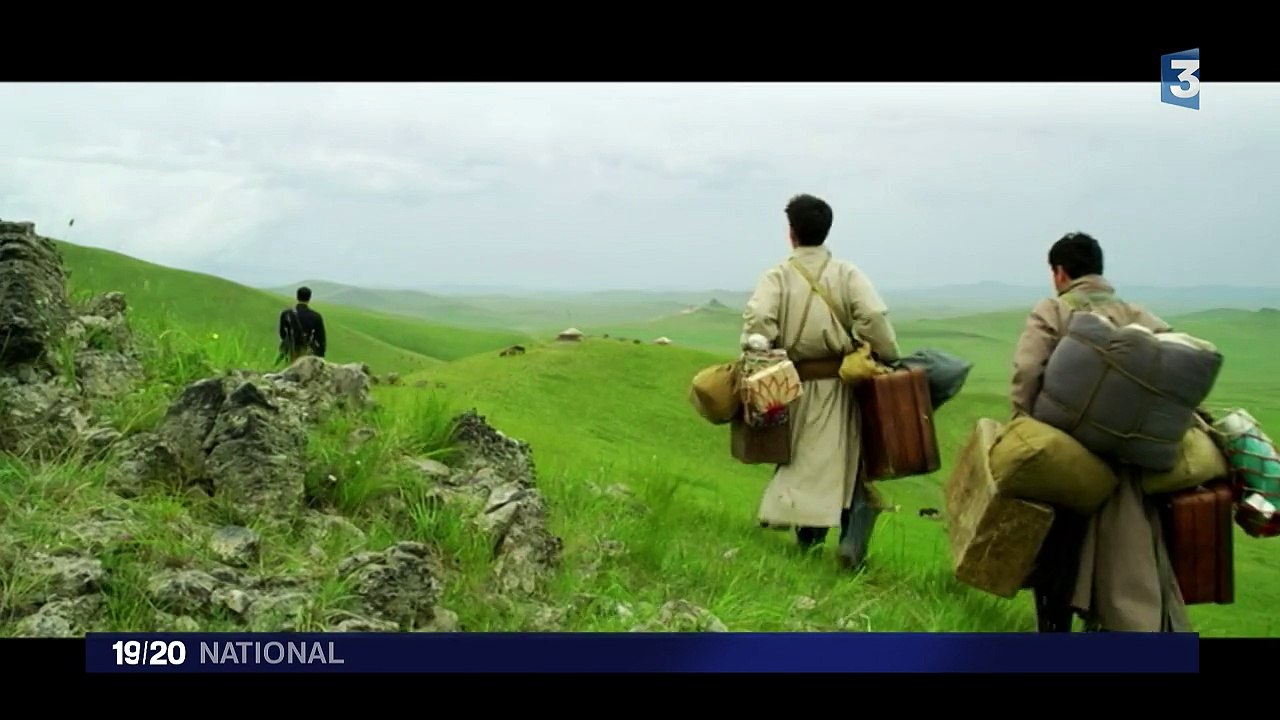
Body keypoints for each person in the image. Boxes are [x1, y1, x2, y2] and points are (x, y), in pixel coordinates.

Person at [1010, 231, 1191, 633]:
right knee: (1127, 561)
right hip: (1131, 468)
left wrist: (1023, 429)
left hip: (1068, 461)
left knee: (1057, 555)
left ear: (1059, 273)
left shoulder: (1053, 310)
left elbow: (1026, 371)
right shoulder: (1137, 314)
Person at [740, 194, 902, 569]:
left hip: (791, 386)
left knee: (803, 461)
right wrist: (887, 354)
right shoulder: (846, 273)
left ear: (791, 234)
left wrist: (763, 360)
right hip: (840, 386)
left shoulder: (777, 276)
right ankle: (843, 542)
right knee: (838, 462)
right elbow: (874, 316)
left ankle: (813, 546)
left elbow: (758, 324)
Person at [278, 286, 327, 363]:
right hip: (307, 351)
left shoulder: (286, 314)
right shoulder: (316, 316)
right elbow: (320, 338)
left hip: (291, 350)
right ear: (309, 298)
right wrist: (321, 353)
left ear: (297, 296)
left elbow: (282, 333)